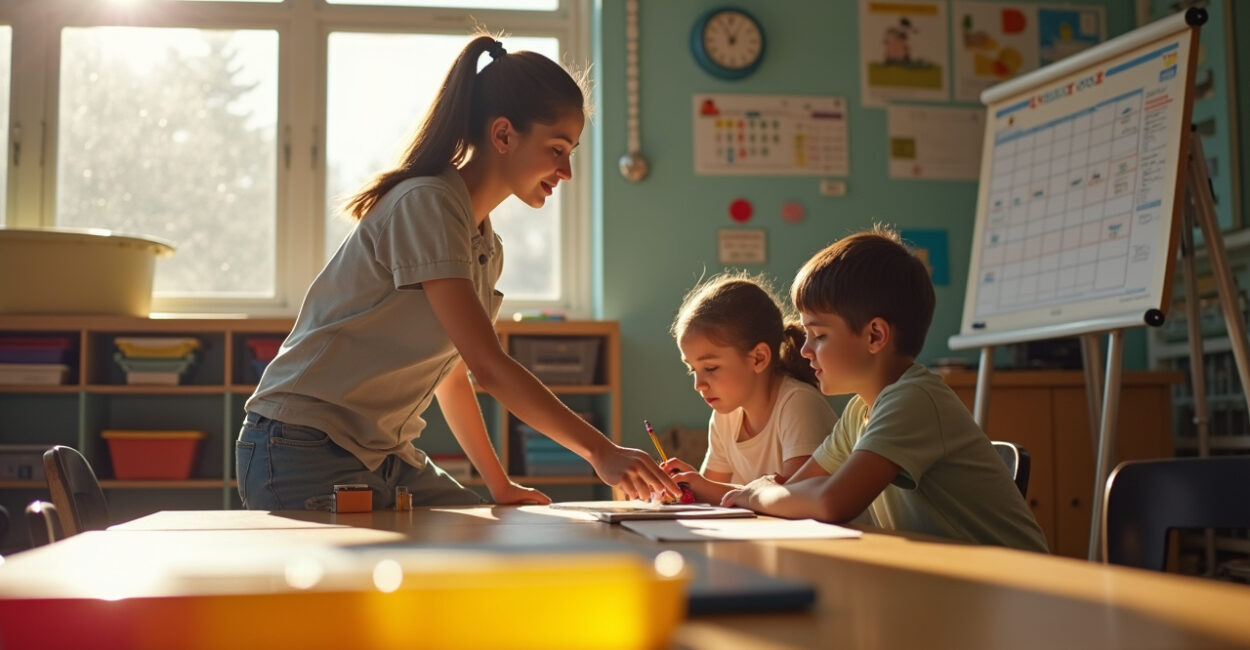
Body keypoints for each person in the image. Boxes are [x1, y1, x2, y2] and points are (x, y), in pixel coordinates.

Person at [237, 35, 678, 511]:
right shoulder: (427, 203)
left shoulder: (486, 245)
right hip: (299, 445)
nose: (566, 171)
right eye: (556, 149)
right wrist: (600, 451)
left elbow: (453, 373)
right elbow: (489, 365)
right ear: (503, 135)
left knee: (487, 532)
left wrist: (499, 484)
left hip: (381, 454)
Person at [722, 227, 1049, 552]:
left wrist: (757, 493)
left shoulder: (913, 399)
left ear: (875, 336)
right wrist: (775, 494)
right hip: (949, 573)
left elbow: (832, 502)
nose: (805, 350)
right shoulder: (860, 411)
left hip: (1015, 577)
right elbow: (799, 489)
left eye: (819, 335)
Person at [661, 272, 837, 505]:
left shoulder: (798, 404)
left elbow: (796, 499)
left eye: (711, 368)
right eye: (693, 370)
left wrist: (702, 486)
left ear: (758, 358)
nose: (698, 384)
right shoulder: (725, 417)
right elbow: (708, 498)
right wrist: (683, 488)